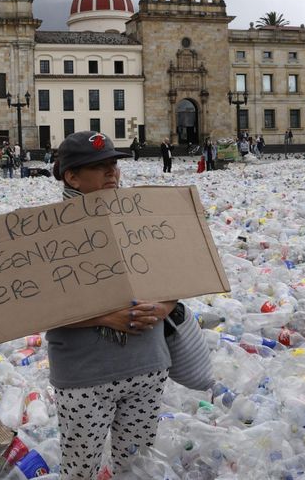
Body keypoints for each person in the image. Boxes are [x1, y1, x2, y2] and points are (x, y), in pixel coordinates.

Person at [49, 130, 183, 479]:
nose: (112, 172)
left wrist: (165, 307)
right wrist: (108, 316)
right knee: (81, 471)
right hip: (85, 377)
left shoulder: (142, 216)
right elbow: (36, 305)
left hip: (147, 367)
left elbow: (181, 274)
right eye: (99, 166)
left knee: (137, 469)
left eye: (113, 164)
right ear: (71, 176)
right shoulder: (43, 233)